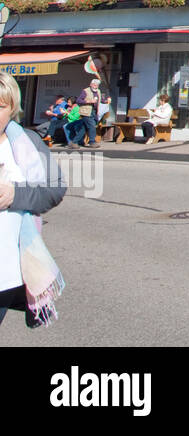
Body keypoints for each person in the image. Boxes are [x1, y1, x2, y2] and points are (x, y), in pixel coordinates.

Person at [0, 71, 66, 328]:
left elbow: (54, 188)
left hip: (6, 274)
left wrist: (16, 195)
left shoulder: (28, 142)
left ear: (12, 108)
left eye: (0, 106)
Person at [68, 79, 109, 149]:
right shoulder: (85, 91)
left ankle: (74, 142)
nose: (95, 86)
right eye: (94, 85)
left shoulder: (98, 91)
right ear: (91, 84)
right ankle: (92, 142)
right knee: (92, 126)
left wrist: (105, 101)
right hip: (86, 112)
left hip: (94, 112)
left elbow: (100, 99)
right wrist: (89, 101)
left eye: (97, 85)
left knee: (84, 128)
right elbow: (78, 100)